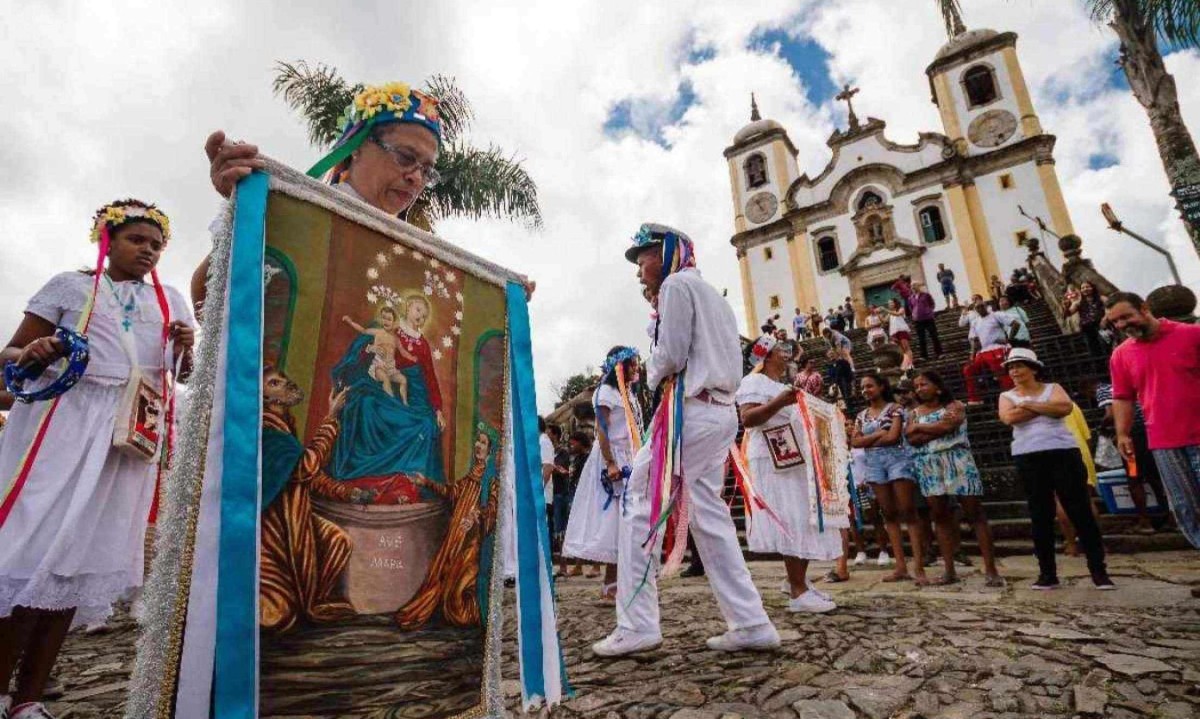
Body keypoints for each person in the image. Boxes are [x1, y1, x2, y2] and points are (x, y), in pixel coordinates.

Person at [0, 200, 195, 719]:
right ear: (108, 240)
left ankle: (29, 699)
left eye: (156, 245)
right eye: (137, 240)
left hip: (125, 442)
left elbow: (187, 373)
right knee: (29, 555)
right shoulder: (71, 287)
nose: (148, 251)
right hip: (63, 428)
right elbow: (8, 357)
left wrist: (187, 346)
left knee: (76, 564)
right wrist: (36, 351)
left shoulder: (171, 299)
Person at [595, 223, 778, 656]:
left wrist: (652, 373)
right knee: (710, 518)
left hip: (690, 413)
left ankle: (637, 625)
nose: (640, 271)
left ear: (666, 252)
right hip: (719, 413)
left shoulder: (677, 286)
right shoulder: (713, 295)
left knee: (639, 501)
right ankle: (750, 622)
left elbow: (672, 356)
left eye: (643, 259)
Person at [195, 81, 447, 312]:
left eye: (427, 171)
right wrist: (246, 216)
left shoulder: (417, 259)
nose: (416, 178)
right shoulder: (294, 209)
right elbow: (204, 301)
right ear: (357, 147)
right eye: (405, 157)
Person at [737, 336, 841, 613]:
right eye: (781, 351)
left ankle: (797, 580)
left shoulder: (780, 386)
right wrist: (780, 403)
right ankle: (798, 591)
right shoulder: (753, 382)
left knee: (800, 516)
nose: (787, 355)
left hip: (792, 456)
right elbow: (747, 419)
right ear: (765, 356)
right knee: (791, 516)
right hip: (772, 458)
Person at [998, 348, 1113, 590]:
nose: (1014, 371)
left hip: (1063, 452)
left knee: (1080, 510)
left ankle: (1098, 570)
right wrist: (1042, 406)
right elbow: (1009, 418)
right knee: (1040, 514)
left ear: (1033, 368)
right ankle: (1047, 572)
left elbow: (1064, 408)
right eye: (1011, 367)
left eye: (1019, 365)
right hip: (1028, 455)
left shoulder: (1054, 387)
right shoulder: (1007, 395)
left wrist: (1028, 405)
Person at [259, 367, 363, 634]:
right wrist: (331, 418)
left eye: (283, 378)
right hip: (273, 536)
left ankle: (310, 597)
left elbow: (307, 477)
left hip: (296, 523)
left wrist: (347, 493)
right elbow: (306, 466)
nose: (285, 383)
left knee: (337, 541)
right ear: (267, 399)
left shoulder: (285, 428)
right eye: (274, 383)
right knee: (276, 615)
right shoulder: (268, 433)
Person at [1106, 292, 1200, 553]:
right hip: (1162, 442)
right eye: (1116, 322)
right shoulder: (1121, 355)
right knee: (1183, 506)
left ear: (1145, 308)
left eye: (1126, 316)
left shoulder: (1191, 335)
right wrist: (1123, 434)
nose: (1122, 325)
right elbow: (1123, 397)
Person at [399, 424, 502, 630]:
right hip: (456, 535)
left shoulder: (491, 480)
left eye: (483, 443)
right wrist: (426, 482)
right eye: (477, 441)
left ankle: (473, 612)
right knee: (442, 577)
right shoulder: (472, 475)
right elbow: (452, 492)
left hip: (471, 540)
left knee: (461, 588)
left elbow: (493, 508)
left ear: (490, 451)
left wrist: (476, 517)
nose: (478, 445)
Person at [905, 371, 1003, 587]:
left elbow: (948, 426)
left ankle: (991, 568)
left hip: (958, 459)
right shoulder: (914, 412)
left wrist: (921, 428)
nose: (920, 388)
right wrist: (933, 429)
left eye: (924, 384)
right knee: (939, 516)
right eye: (917, 385)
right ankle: (949, 570)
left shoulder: (954, 405)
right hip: (929, 464)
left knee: (975, 513)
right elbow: (911, 439)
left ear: (938, 387)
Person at [562, 346, 644, 603]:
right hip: (612, 458)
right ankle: (611, 585)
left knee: (628, 520)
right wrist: (610, 463)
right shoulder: (606, 393)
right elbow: (602, 430)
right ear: (619, 367)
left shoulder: (628, 394)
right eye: (631, 364)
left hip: (629, 455)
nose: (635, 368)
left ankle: (623, 581)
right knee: (613, 521)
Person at [851, 373, 927, 583]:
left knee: (908, 511)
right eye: (863, 387)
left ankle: (919, 567)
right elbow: (855, 443)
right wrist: (878, 435)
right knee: (889, 513)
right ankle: (901, 566)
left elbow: (893, 437)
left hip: (898, 460)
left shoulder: (896, 409)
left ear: (882, 386)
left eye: (870, 386)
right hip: (873, 464)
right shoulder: (861, 415)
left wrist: (868, 439)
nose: (866, 390)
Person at [1096, 381, 1165, 534]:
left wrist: (1102, 427)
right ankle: (1170, 517)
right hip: (1151, 433)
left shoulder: (1103, 389)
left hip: (1131, 439)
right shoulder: (1136, 384)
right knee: (1156, 477)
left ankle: (1145, 521)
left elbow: (1110, 413)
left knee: (1134, 478)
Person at [960, 299, 1019, 405]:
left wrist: (1009, 340)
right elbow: (975, 339)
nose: (980, 309)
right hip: (983, 351)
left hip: (998, 348)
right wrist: (972, 355)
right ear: (975, 310)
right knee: (968, 369)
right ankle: (975, 399)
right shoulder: (975, 322)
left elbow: (1015, 324)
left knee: (1000, 369)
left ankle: (1014, 396)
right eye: (977, 307)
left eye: (982, 306)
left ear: (986, 306)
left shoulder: (996, 315)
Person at [821, 327, 855, 405]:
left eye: (827, 335)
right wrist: (833, 353)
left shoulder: (836, 335)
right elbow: (831, 347)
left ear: (829, 333)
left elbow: (839, 347)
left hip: (845, 343)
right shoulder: (826, 338)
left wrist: (839, 356)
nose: (826, 336)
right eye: (825, 335)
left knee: (846, 354)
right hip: (839, 378)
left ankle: (852, 367)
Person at [910, 282, 942, 361]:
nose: (913, 287)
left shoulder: (926, 295)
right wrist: (914, 314)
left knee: (934, 336)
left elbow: (932, 304)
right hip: (918, 320)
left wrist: (929, 311)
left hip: (928, 318)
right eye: (912, 286)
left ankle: (939, 353)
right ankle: (924, 356)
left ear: (919, 286)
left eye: (915, 285)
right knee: (921, 338)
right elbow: (911, 307)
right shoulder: (910, 298)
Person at [1077, 281, 1109, 357]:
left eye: (1087, 287)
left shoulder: (1101, 298)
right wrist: (1065, 307)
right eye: (1083, 288)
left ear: (1092, 288)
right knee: (1093, 349)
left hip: (1101, 325)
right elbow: (1069, 312)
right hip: (1087, 328)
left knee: (1106, 342)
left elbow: (1110, 306)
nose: (1085, 289)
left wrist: (1105, 318)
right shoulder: (1079, 302)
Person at [539, 417, 556, 538]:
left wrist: (538, 491)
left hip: (543, 496)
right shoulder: (539, 442)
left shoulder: (543, 441)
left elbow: (547, 467)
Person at [886, 298, 913, 368]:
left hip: (901, 330)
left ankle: (910, 364)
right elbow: (884, 321)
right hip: (894, 332)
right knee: (900, 350)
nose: (890, 304)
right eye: (889, 303)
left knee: (906, 347)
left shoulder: (901, 309)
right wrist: (878, 314)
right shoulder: (890, 313)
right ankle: (905, 364)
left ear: (895, 303)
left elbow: (898, 314)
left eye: (891, 302)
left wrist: (885, 310)